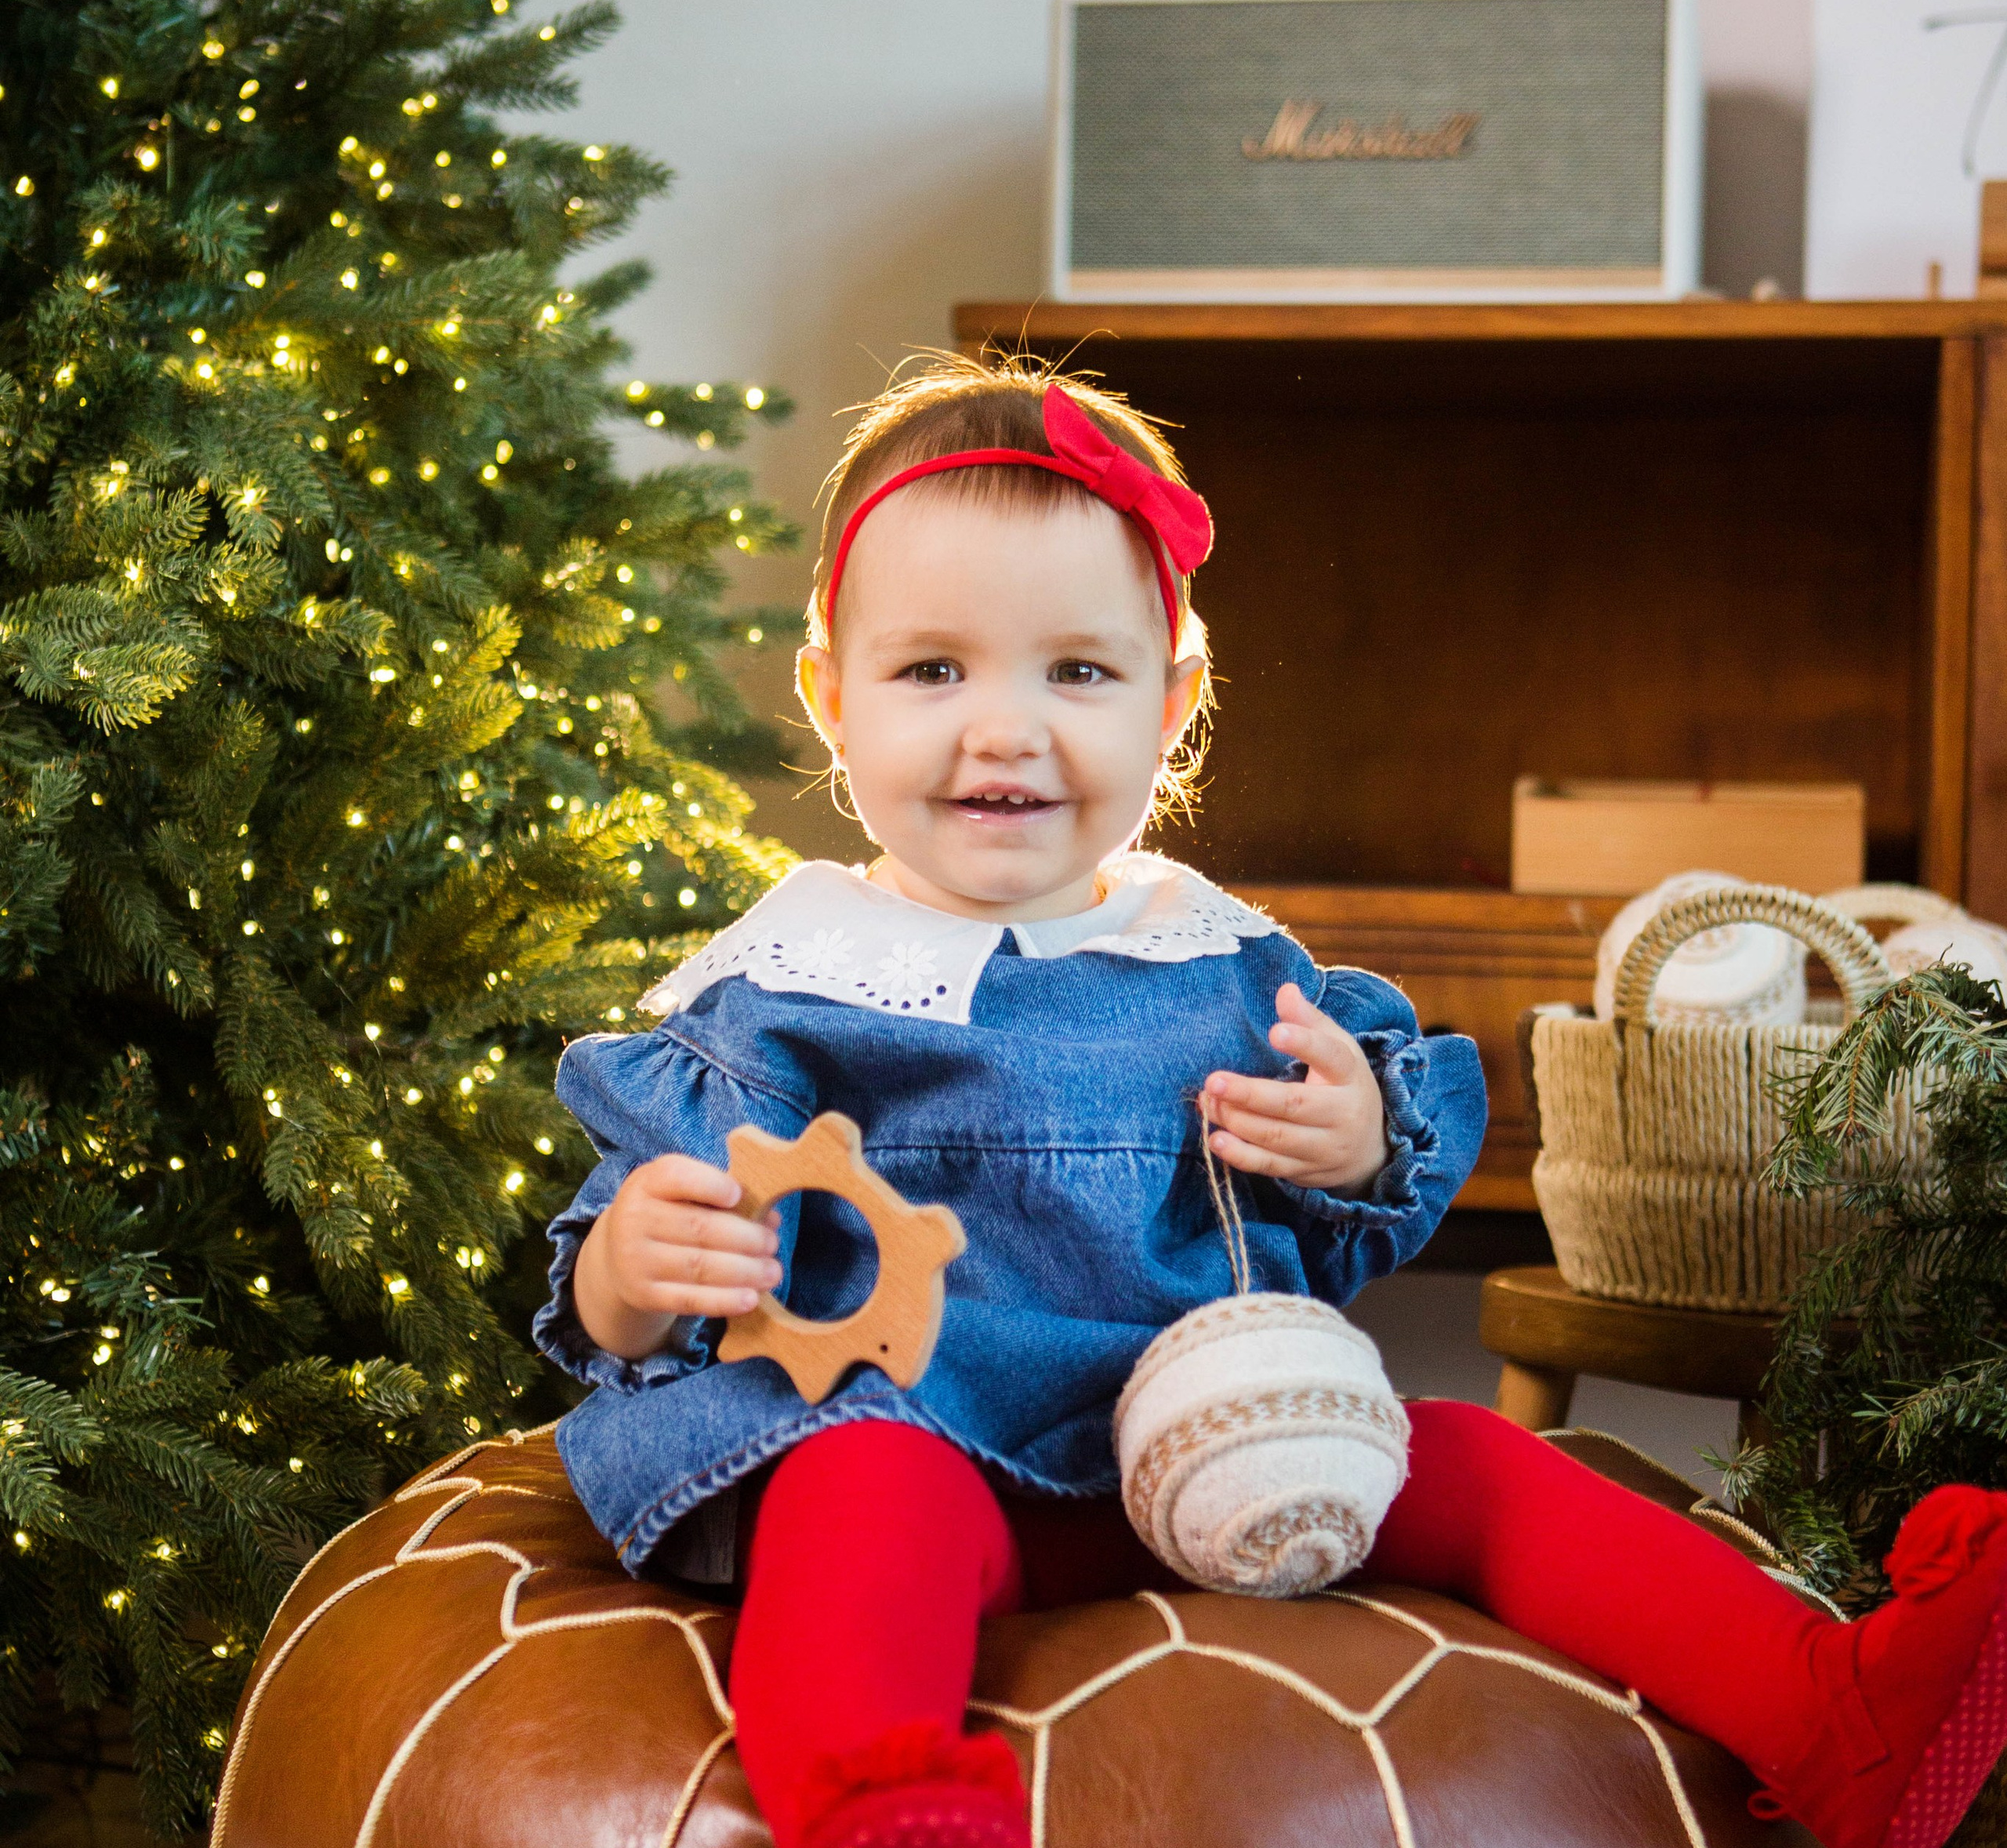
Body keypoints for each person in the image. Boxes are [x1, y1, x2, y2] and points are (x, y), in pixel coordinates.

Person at [536, 355, 2007, 1848]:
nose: (1005, 730)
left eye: (1080, 671)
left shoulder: (1223, 964)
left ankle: (1835, 1710)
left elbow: (1354, 1225)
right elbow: (620, 1283)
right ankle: (883, 1804)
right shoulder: (791, 982)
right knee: (855, 1495)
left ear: (1173, 703)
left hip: (1224, 1446)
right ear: (829, 695)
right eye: (932, 670)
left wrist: (1353, 1145)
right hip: (920, 1447)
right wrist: (633, 1271)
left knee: (1478, 1459)